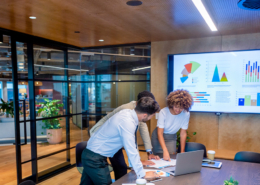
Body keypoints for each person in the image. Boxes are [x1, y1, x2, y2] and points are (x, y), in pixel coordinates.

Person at [80, 97, 161, 185]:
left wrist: (134, 166)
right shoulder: (127, 121)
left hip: (92, 155)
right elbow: (131, 149)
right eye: (152, 116)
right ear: (145, 115)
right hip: (94, 159)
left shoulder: (127, 114)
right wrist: (142, 174)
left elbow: (131, 144)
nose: (151, 118)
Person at [151, 89, 193, 161]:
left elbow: (183, 133)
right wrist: (165, 150)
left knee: (170, 159)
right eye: (176, 107)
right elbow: (159, 133)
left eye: (181, 108)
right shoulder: (164, 112)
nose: (178, 110)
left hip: (171, 138)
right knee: (158, 159)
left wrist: (182, 152)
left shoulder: (186, 114)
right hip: (159, 137)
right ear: (172, 104)